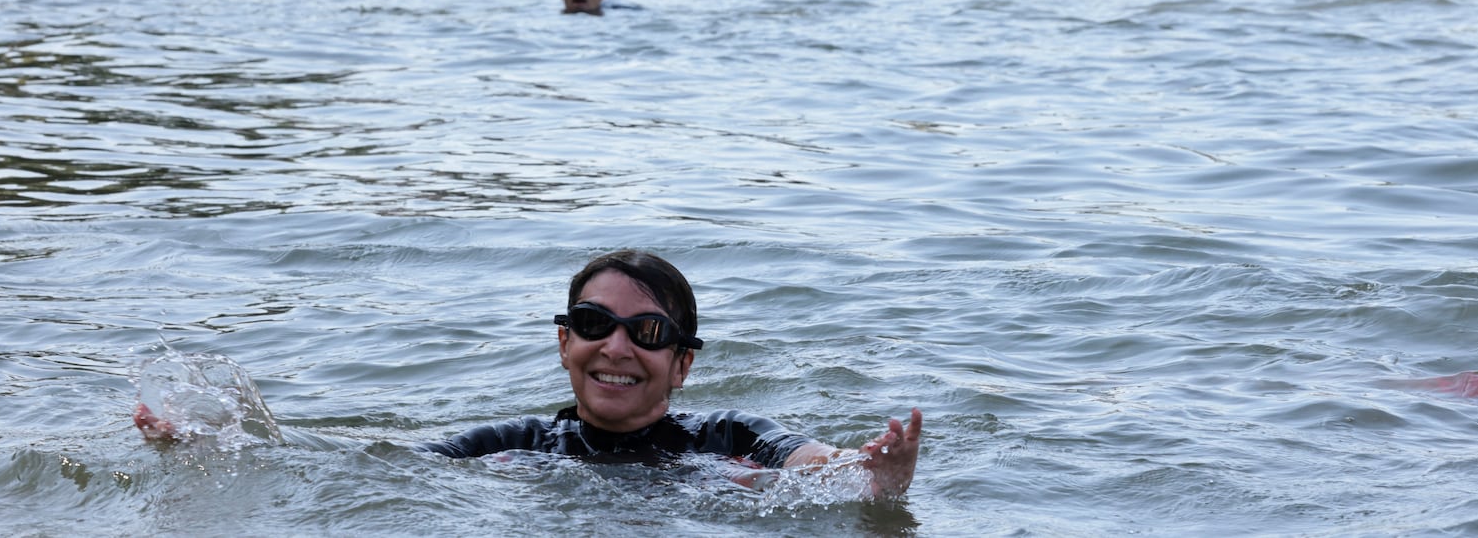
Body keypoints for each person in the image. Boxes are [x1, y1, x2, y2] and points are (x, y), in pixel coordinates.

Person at [136, 250, 924, 501]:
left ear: (682, 364)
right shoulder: (519, 444)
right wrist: (220, 446)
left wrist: (874, 476)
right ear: (563, 344)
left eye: (646, 333)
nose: (615, 347)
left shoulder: (730, 438)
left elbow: (812, 466)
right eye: (592, 325)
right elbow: (371, 469)